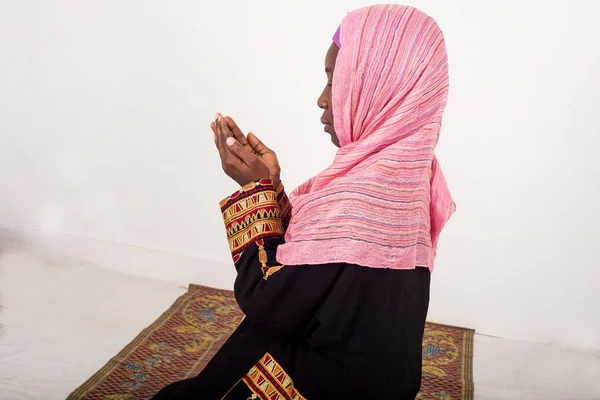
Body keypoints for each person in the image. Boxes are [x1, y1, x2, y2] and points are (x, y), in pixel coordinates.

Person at [152, 4, 455, 399]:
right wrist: (270, 184)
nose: (322, 99)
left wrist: (255, 194)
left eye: (336, 80)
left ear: (381, 87)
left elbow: (269, 302)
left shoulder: (357, 200)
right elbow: (320, 280)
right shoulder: (410, 179)